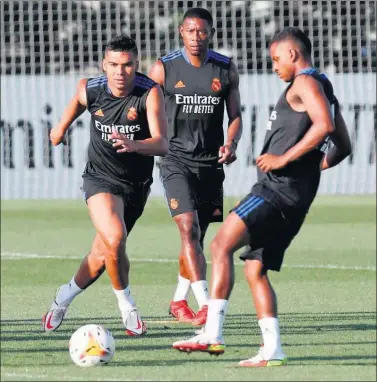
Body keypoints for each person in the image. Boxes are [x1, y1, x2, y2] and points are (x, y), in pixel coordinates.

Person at [172, 27, 352, 365]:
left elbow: (325, 126)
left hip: (274, 191)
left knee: (219, 244)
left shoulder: (305, 82)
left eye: (275, 59)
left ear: (293, 55)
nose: (274, 67)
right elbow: (344, 145)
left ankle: (213, 333)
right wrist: (312, 168)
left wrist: (284, 160)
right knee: (255, 269)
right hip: (295, 198)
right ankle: (273, 349)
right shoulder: (324, 87)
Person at [42, 35, 168, 336]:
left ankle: (63, 297)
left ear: (137, 65)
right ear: (104, 64)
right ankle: (128, 308)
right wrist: (60, 128)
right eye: (113, 65)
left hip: (136, 186)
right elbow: (77, 102)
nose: (120, 72)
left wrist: (133, 144)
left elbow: (162, 144)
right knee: (115, 236)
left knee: (102, 257)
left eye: (127, 65)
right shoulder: (92, 88)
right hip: (100, 178)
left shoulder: (149, 93)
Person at [148, 7, 242, 326]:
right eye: (190, 31)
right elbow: (145, 105)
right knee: (188, 228)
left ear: (211, 33)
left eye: (202, 31)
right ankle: (205, 305)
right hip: (175, 161)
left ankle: (178, 300)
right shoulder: (164, 68)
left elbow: (236, 116)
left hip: (211, 164)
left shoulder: (225, 69)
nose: (196, 37)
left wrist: (231, 143)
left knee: (197, 239)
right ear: (181, 32)